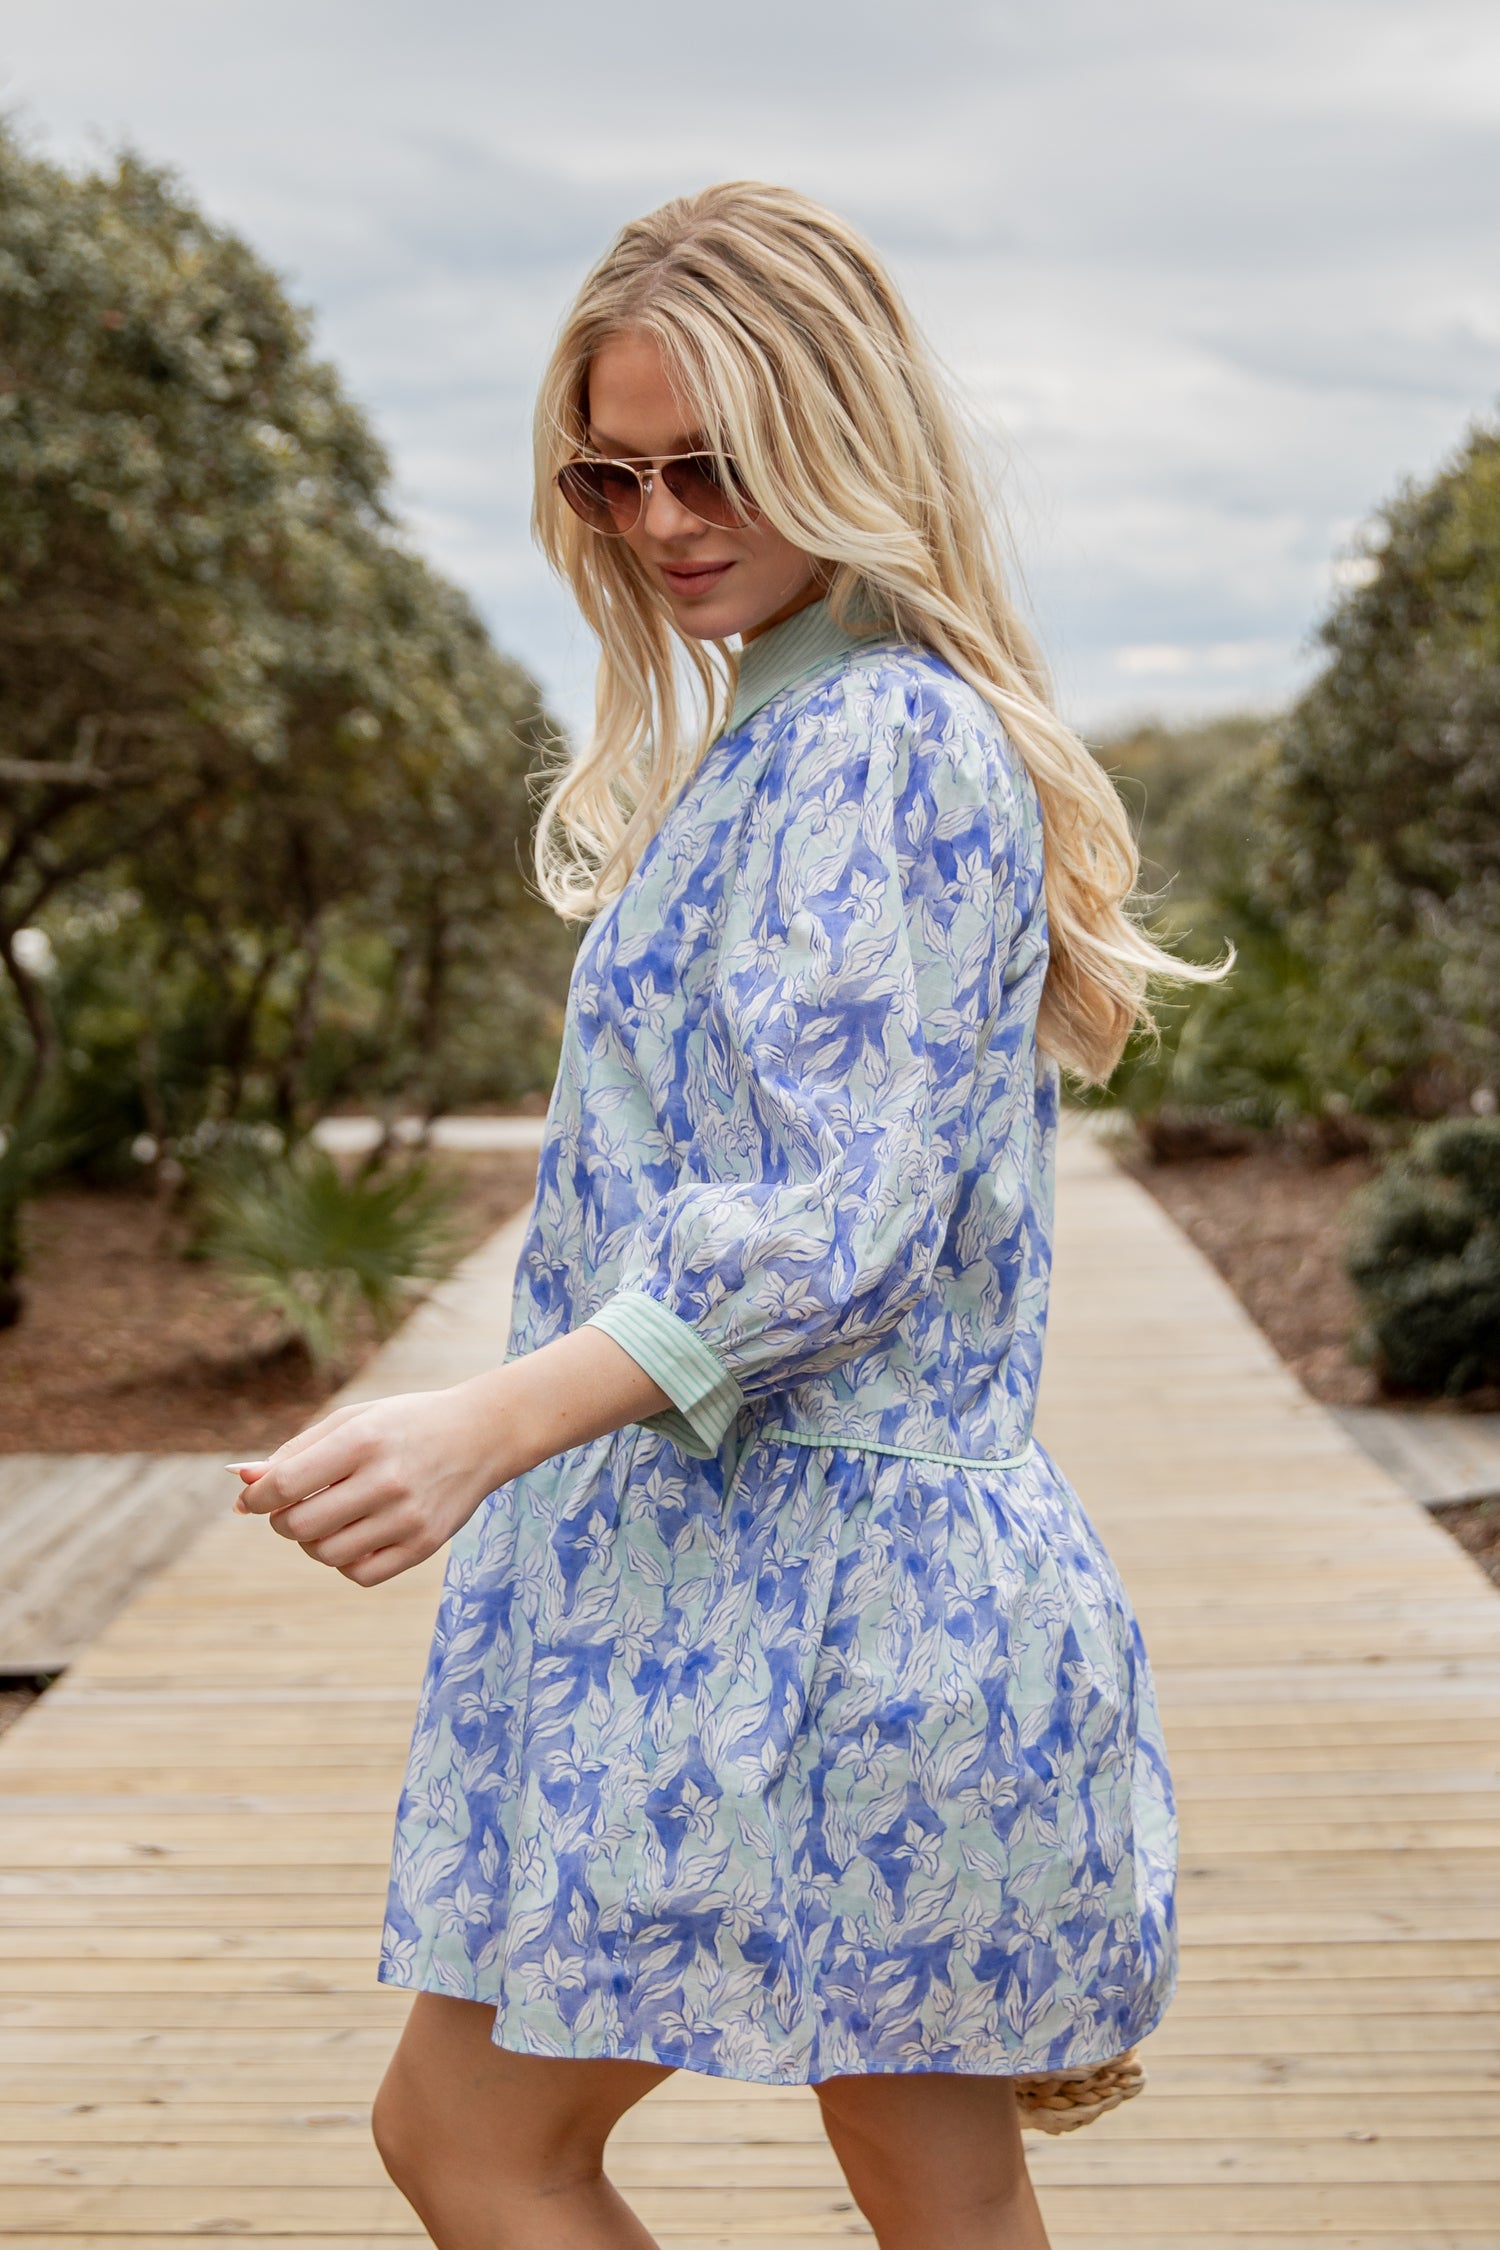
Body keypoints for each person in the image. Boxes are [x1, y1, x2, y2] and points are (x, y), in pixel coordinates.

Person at [235, 182, 1196, 2250]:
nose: (661, 520)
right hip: (804, 1592)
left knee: (472, 2140)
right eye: (613, 472)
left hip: (815, 1612)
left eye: (714, 466)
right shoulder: (795, 726)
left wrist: (480, 1427)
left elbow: (828, 1227)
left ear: (844, 437)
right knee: (932, 2184)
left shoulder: (878, 742)